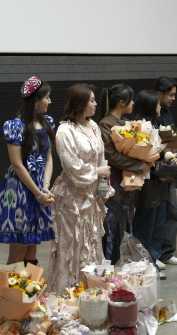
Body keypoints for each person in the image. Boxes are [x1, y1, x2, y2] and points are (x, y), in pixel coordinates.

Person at [47, 84, 112, 293]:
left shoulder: (93, 126)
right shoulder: (65, 131)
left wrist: (103, 188)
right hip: (71, 201)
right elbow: (73, 167)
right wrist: (97, 171)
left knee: (91, 245)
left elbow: (101, 158)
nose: (95, 104)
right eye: (91, 100)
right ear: (80, 104)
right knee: (72, 248)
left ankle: (92, 294)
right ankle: (68, 296)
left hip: (91, 198)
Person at [0, 77, 56, 266]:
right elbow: (17, 164)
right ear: (36, 101)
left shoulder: (48, 122)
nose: (50, 101)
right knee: (19, 246)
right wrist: (38, 194)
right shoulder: (16, 126)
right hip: (20, 189)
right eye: (47, 97)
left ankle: (30, 284)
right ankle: (12, 285)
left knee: (32, 244)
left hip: (39, 188)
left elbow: (49, 157)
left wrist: (45, 187)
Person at [98, 84, 148, 264]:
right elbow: (111, 156)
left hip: (127, 179)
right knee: (112, 222)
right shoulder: (105, 124)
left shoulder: (125, 123)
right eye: (131, 100)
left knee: (127, 219)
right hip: (113, 181)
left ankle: (125, 261)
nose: (133, 103)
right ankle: (110, 264)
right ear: (121, 102)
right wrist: (139, 164)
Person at [132, 90, 177, 280]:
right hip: (147, 185)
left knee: (158, 225)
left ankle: (153, 261)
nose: (160, 107)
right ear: (150, 106)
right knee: (145, 228)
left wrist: (170, 157)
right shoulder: (138, 129)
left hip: (160, 184)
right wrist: (170, 165)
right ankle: (143, 266)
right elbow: (144, 160)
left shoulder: (154, 125)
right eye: (157, 104)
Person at [153, 76, 177, 268]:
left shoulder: (167, 113)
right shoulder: (150, 116)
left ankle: (166, 252)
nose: (173, 98)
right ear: (159, 94)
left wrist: (174, 155)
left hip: (169, 168)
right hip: (155, 171)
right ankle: (153, 253)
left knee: (172, 212)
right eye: (170, 95)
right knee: (156, 215)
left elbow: (170, 139)